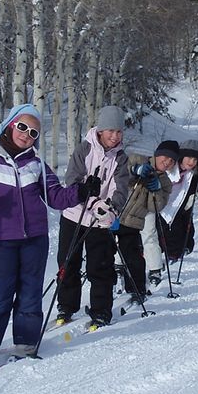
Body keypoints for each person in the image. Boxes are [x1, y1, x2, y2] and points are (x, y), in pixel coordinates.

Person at [0, 104, 99, 361]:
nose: (26, 135)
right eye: (22, 127)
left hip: (36, 239)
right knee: (0, 292)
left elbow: (56, 196)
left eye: (34, 133)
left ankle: (25, 344)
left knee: (30, 291)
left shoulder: (37, 164)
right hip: (4, 238)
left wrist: (80, 191)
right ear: (10, 126)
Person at [56, 106, 130, 329]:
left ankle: (101, 311)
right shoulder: (84, 149)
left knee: (100, 266)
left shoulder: (121, 158)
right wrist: (94, 204)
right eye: (110, 131)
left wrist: (111, 209)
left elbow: (121, 188)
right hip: (74, 215)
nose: (114, 136)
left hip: (101, 220)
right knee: (68, 262)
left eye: (119, 132)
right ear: (100, 131)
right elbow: (73, 181)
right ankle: (66, 306)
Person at [115, 140, 177, 300]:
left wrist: (155, 190)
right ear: (157, 154)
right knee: (107, 251)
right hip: (114, 212)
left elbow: (155, 207)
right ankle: (111, 281)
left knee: (133, 256)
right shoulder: (137, 159)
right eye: (165, 157)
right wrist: (134, 170)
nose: (167, 162)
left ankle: (137, 289)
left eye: (172, 161)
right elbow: (117, 174)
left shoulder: (165, 183)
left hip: (134, 222)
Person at [158, 139, 198, 261]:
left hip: (175, 209)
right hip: (159, 208)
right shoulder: (170, 167)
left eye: (195, 160)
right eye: (189, 158)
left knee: (176, 236)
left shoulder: (191, 175)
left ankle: (171, 256)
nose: (191, 162)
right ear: (182, 156)